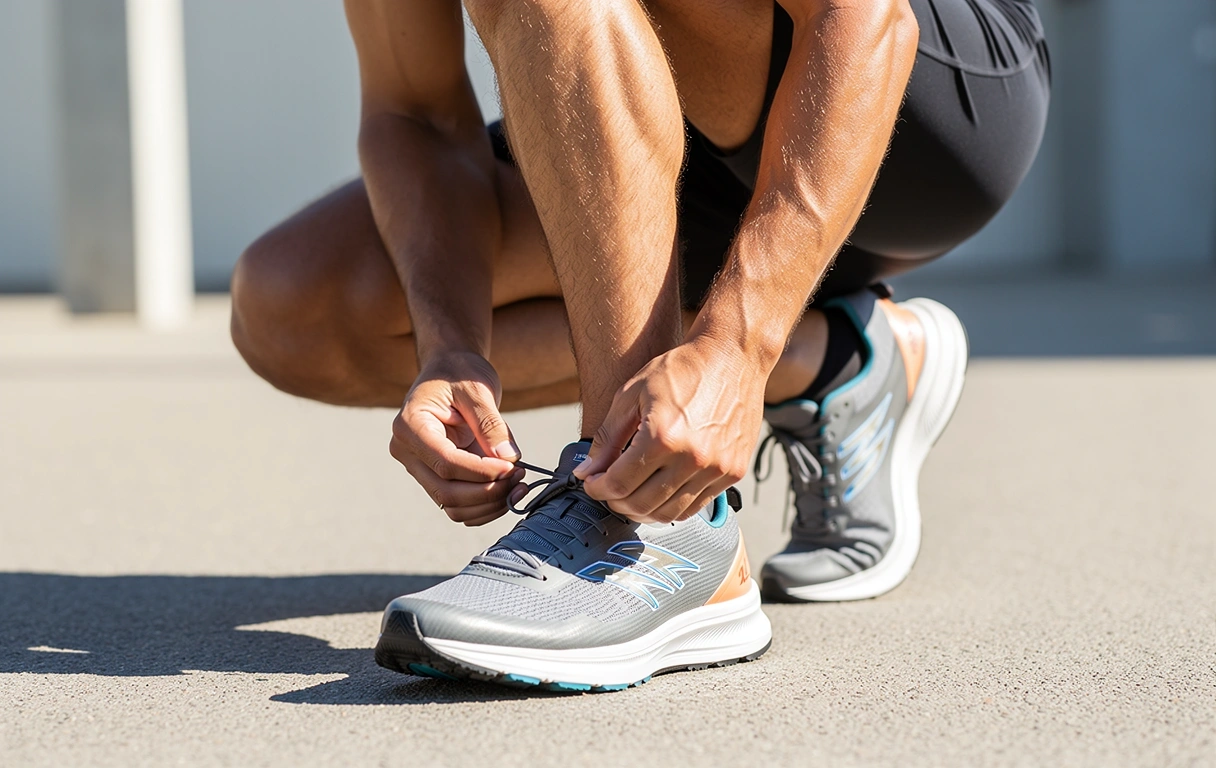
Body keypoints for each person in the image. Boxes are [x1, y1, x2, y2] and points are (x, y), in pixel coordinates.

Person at [230, 0, 1050, 690]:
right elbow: (416, 115)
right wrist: (452, 344)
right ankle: (836, 361)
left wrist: (736, 343)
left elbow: (865, 17)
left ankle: (652, 528)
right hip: (657, 119)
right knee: (296, 304)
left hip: (915, 108)